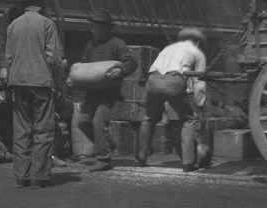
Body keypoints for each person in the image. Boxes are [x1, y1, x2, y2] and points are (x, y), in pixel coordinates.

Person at [6, 0, 64, 188]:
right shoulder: (47, 24)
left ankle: (21, 177)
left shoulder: (14, 25)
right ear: (41, 2)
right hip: (40, 83)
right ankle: (39, 177)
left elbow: (9, 57)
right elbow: (53, 59)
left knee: (21, 130)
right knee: (43, 130)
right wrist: (57, 81)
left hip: (18, 82)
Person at [70, 9, 137, 172]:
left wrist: (120, 70)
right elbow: (85, 66)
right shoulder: (90, 45)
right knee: (82, 122)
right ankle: (106, 145)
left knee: (98, 121)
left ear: (106, 28)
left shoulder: (117, 44)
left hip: (108, 93)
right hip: (92, 92)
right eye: (93, 27)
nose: (93, 30)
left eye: (97, 27)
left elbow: (131, 62)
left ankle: (104, 160)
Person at [136, 28, 207, 172]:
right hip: (173, 81)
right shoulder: (198, 53)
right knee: (188, 120)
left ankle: (141, 157)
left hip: (153, 80)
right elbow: (199, 84)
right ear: (198, 42)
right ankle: (189, 163)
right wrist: (200, 107)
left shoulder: (168, 48)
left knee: (149, 118)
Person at [0, 0, 28, 84]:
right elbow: (2, 41)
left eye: (20, 2)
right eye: (15, 2)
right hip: (15, 61)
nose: (17, 5)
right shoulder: (9, 14)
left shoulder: (39, 14)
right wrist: (2, 67)